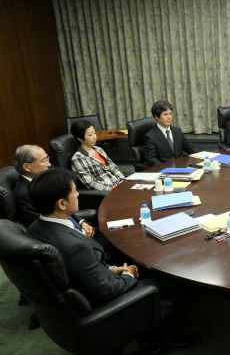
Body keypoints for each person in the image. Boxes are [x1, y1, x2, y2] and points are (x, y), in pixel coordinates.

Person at [27, 168, 139, 306]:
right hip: (104, 304)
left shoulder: (34, 228)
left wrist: (112, 269)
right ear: (62, 204)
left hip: (92, 280)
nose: (78, 194)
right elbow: (107, 291)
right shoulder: (75, 247)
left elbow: (80, 271)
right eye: (74, 191)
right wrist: (129, 275)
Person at [12, 145, 94, 238]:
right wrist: (81, 232)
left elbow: (64, 206)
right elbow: (49, 223)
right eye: (44, 160)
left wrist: (81, 222)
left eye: (47, 158)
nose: (49, 164)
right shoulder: (24, 194)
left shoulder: (44, 179)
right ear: (27, 167)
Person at [70, 119, 124, 191]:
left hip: (119, 184)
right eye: (90, 135)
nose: (95, 137)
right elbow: (90, 183)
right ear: (79, 138)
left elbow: (112, 166)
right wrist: (113, 188)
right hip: (106, 192)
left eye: (94, 133)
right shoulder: (78, 158)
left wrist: (122, 178)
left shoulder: (98, 149)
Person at [144, 100, 197, 166]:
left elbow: (190, 148)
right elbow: (151, 159)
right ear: (157, 117)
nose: (169, 117)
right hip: (166, 171)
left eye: (170, 114)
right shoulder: (150, 136)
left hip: (182, 167)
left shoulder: (177, 131)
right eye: (165, 114)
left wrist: (203, 157)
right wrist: (167, 170)